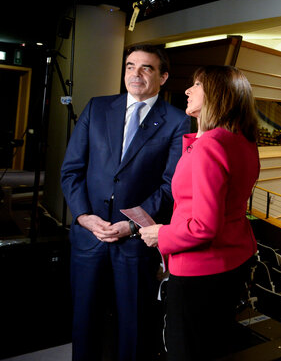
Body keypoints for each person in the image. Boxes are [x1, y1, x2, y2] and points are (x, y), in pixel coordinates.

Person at [60, 44, 189, 361]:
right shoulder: (97, 107)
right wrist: (83, 217)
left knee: (133, 328)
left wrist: (131, 225)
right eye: (131, 66)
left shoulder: (177, 121)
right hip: (89, 237)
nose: (136, 73)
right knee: (84, 323)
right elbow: (72, 170)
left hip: (135, 242)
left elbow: (170, 185)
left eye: (146, 68)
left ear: (163, 76)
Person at [140, 65, 260, 361]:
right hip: (231, 264)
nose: (187, 90)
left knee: (185, 352)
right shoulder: (243, 142)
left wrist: (161, 234)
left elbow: (204, 227)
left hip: (199, 271)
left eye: (196, 85)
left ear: (217, 95)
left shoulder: (210, 146)